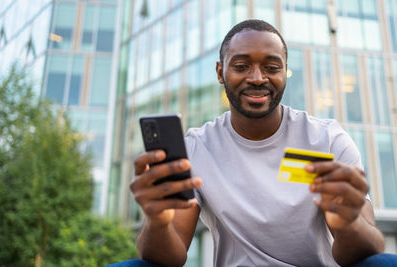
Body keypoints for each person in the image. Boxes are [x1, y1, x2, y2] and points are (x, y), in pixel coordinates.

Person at [118, 19, 393, 267]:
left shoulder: (327, 139)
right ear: (219, 72)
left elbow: (367, 250)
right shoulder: (197, 147)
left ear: (286, 72)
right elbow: (170, 257)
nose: (257, 78)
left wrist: (348, 222)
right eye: (241, 66)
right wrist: (157, 220)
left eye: (272, 67)